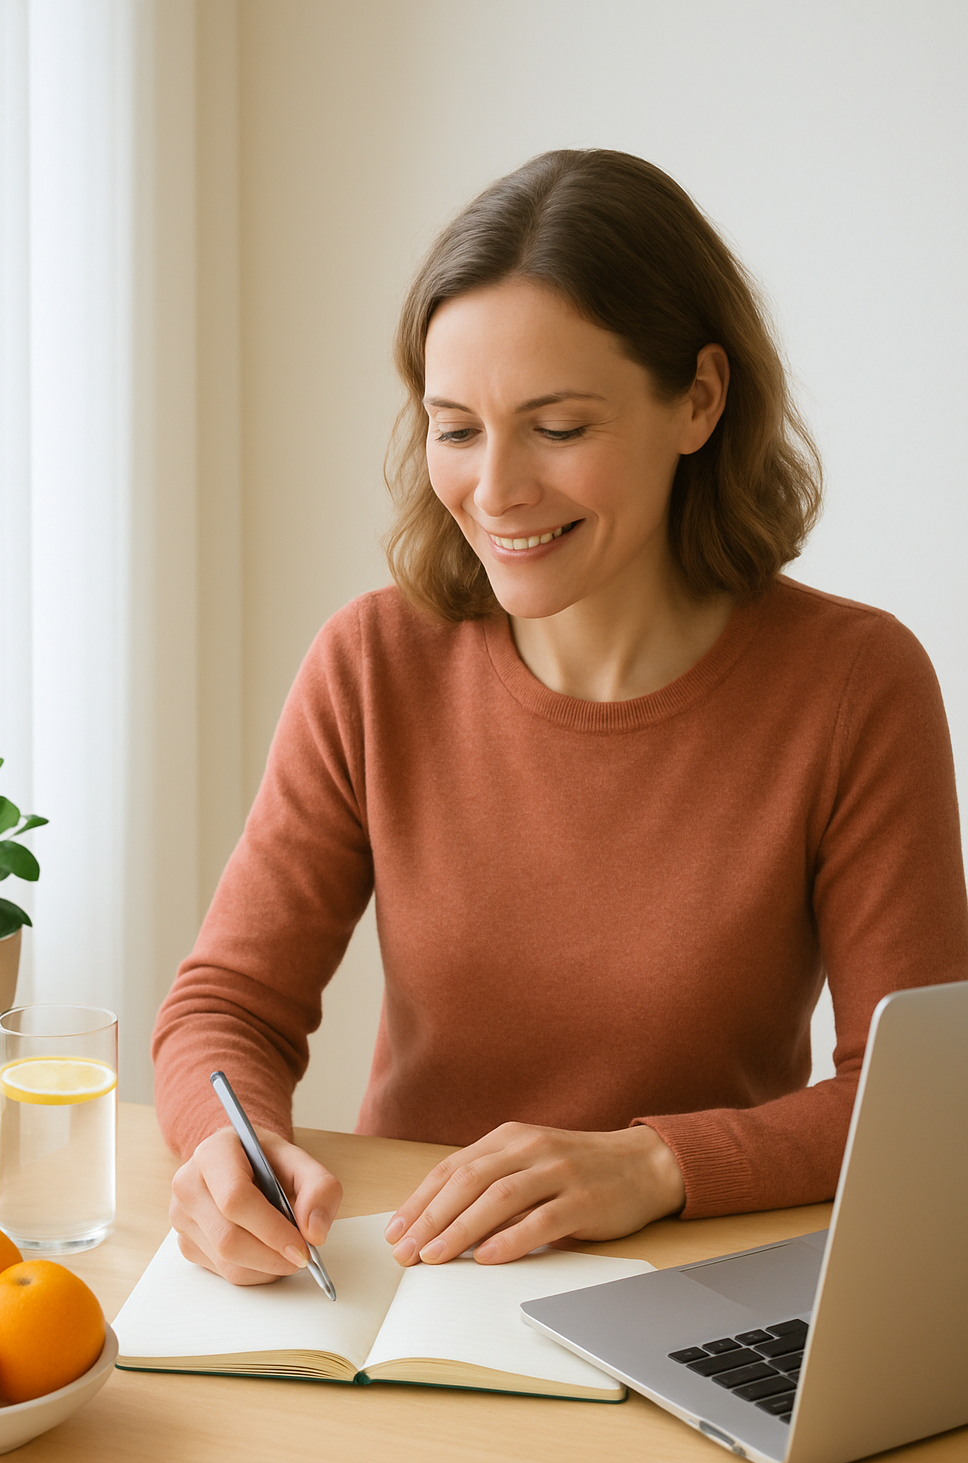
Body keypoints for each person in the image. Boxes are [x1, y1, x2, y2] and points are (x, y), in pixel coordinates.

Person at [153, 149, 968, 1287]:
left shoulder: (853, 684)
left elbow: (918, 1106)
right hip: (412, 1282)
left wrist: (655, 1164)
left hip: (692, 1289)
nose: (495, 490)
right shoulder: (372, 663)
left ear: (698, 399)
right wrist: (220, 1151)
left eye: (558, 427)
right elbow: (224, 1008)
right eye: (456, 427)